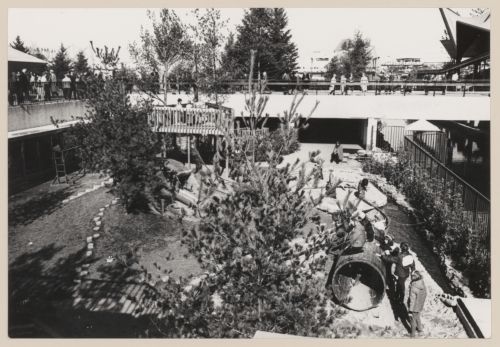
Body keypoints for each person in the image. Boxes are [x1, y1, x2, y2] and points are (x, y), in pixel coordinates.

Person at [408, 270, 427, 337]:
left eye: (412, 276)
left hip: (414, 306)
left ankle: (412, 334)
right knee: (417, 317)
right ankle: (420, 330)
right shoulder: (422, 283)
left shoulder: (414, 287)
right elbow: (424, 294)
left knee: (412, 320)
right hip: (420, 304)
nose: (411, 277)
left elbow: (412, 299)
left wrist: (410, 309)